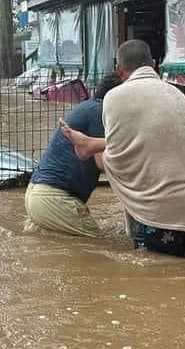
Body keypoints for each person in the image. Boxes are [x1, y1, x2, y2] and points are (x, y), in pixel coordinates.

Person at [60, 39, 185, 257]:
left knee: (150, 283)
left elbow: (120, 157)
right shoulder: (179, 96)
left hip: (156, 215)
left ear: (119, 71)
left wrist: (92, 149)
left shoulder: (114, 98)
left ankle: (88, 145)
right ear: (154, 65)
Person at [25, 75, 122, 237]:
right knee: (106, 249)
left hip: (36, 194)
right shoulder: (101, 112)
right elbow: (101, 162)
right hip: (54, 199)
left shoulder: (88, 107)